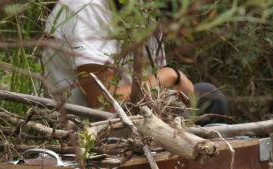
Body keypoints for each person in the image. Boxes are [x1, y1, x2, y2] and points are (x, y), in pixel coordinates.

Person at [42, 0, 228, 122]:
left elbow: (152, 86)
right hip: (91, 128)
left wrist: (173, 90)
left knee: (210, 97)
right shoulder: (87, 7)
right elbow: (104, 104)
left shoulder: (144, 9)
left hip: (138, 114)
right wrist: (171, 76)